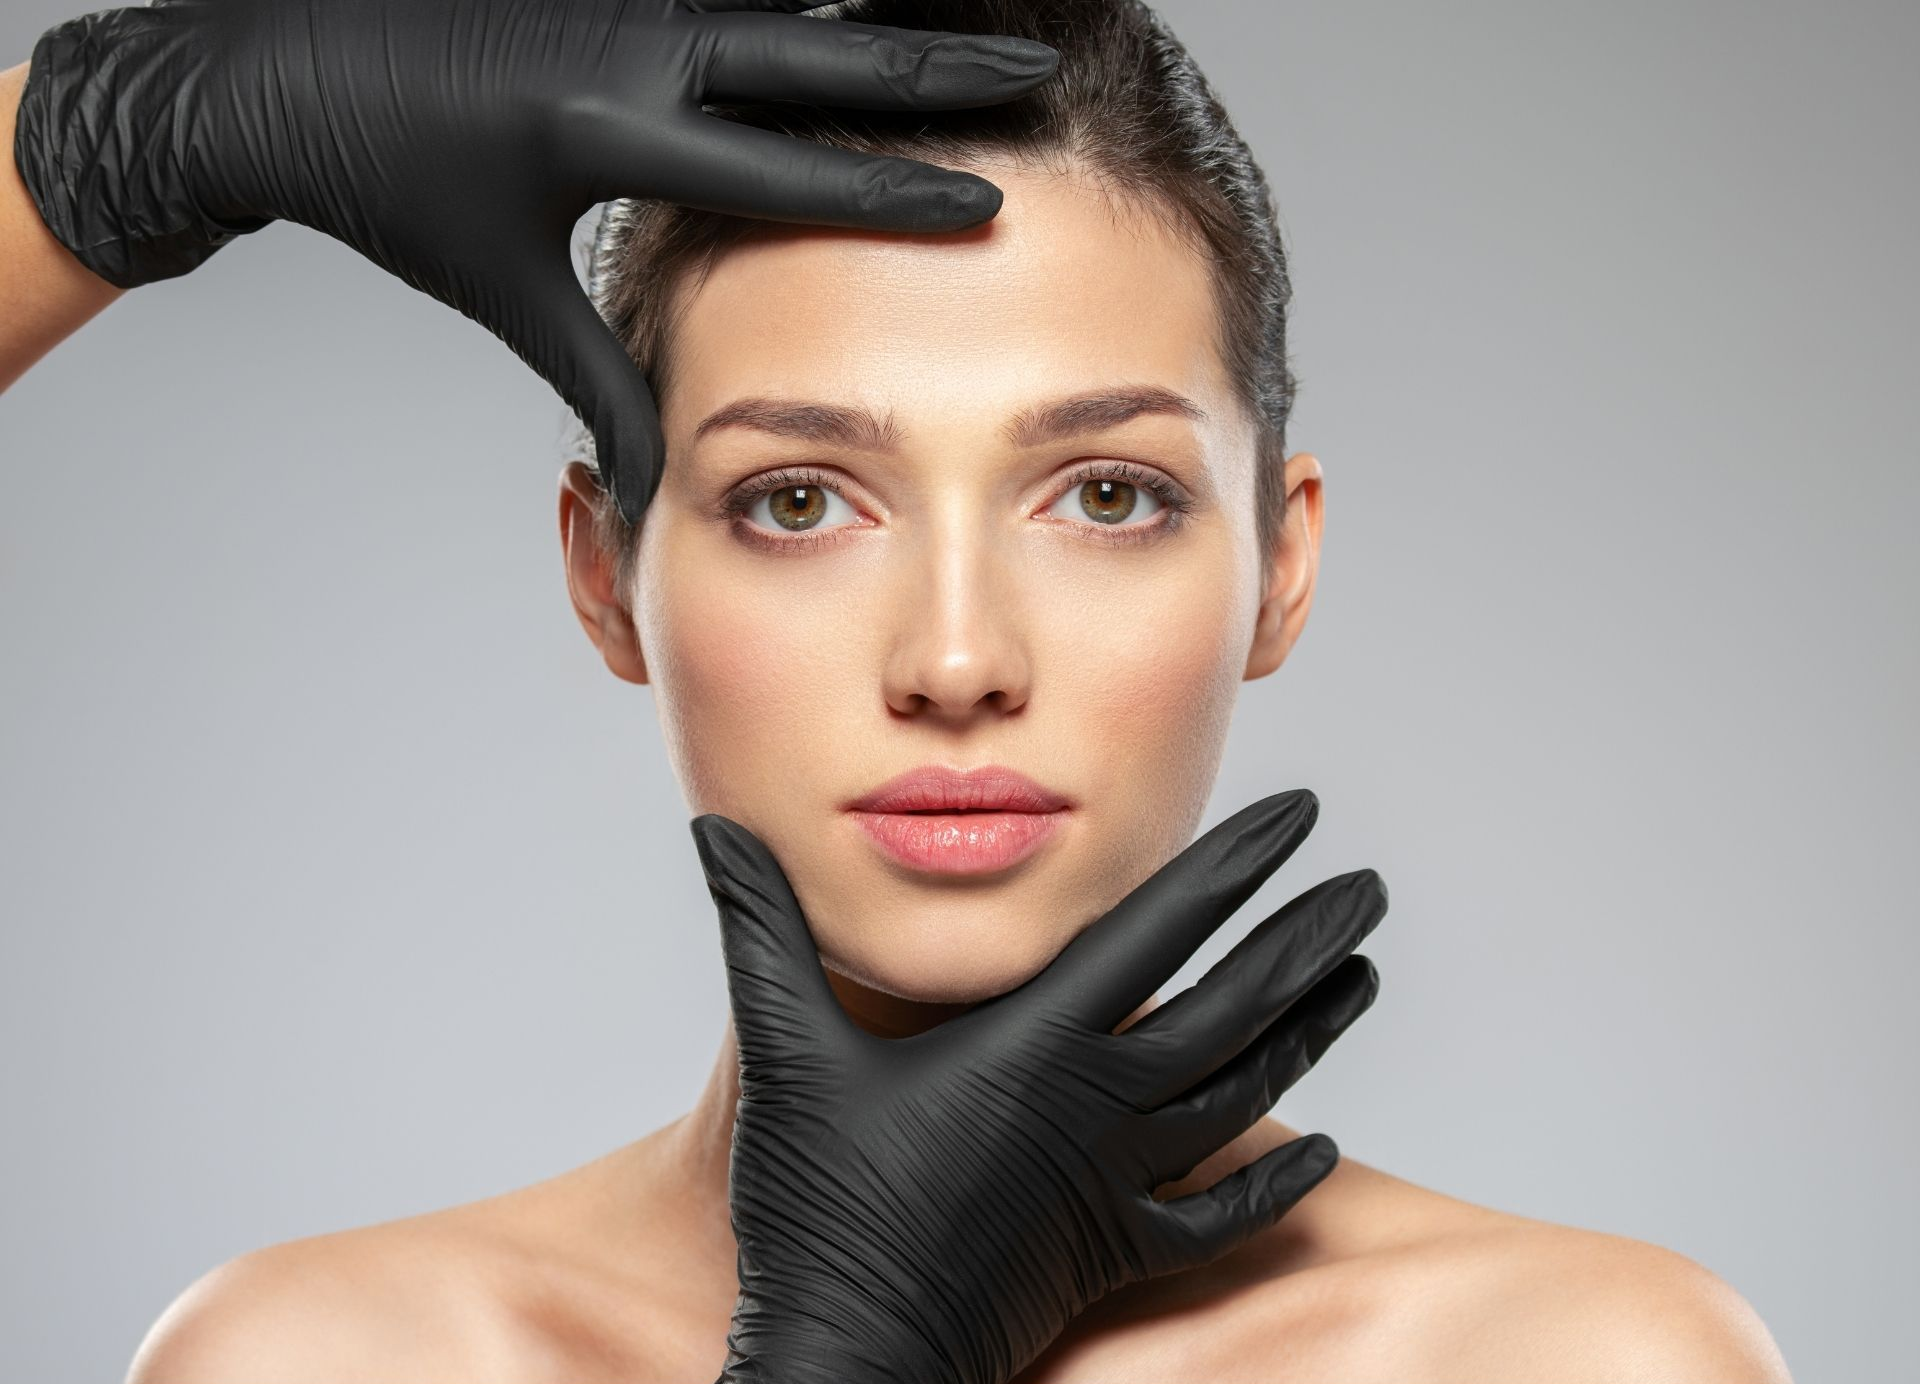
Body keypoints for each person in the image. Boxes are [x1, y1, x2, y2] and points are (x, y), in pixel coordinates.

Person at [4, 1, 1794, 1381]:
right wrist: (119, 138)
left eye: (1108, 496)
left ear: (1280, 562)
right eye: (799, 501)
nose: (955, 663)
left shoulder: (1576, 1359)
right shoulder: (330, 1359)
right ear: (606, 570)